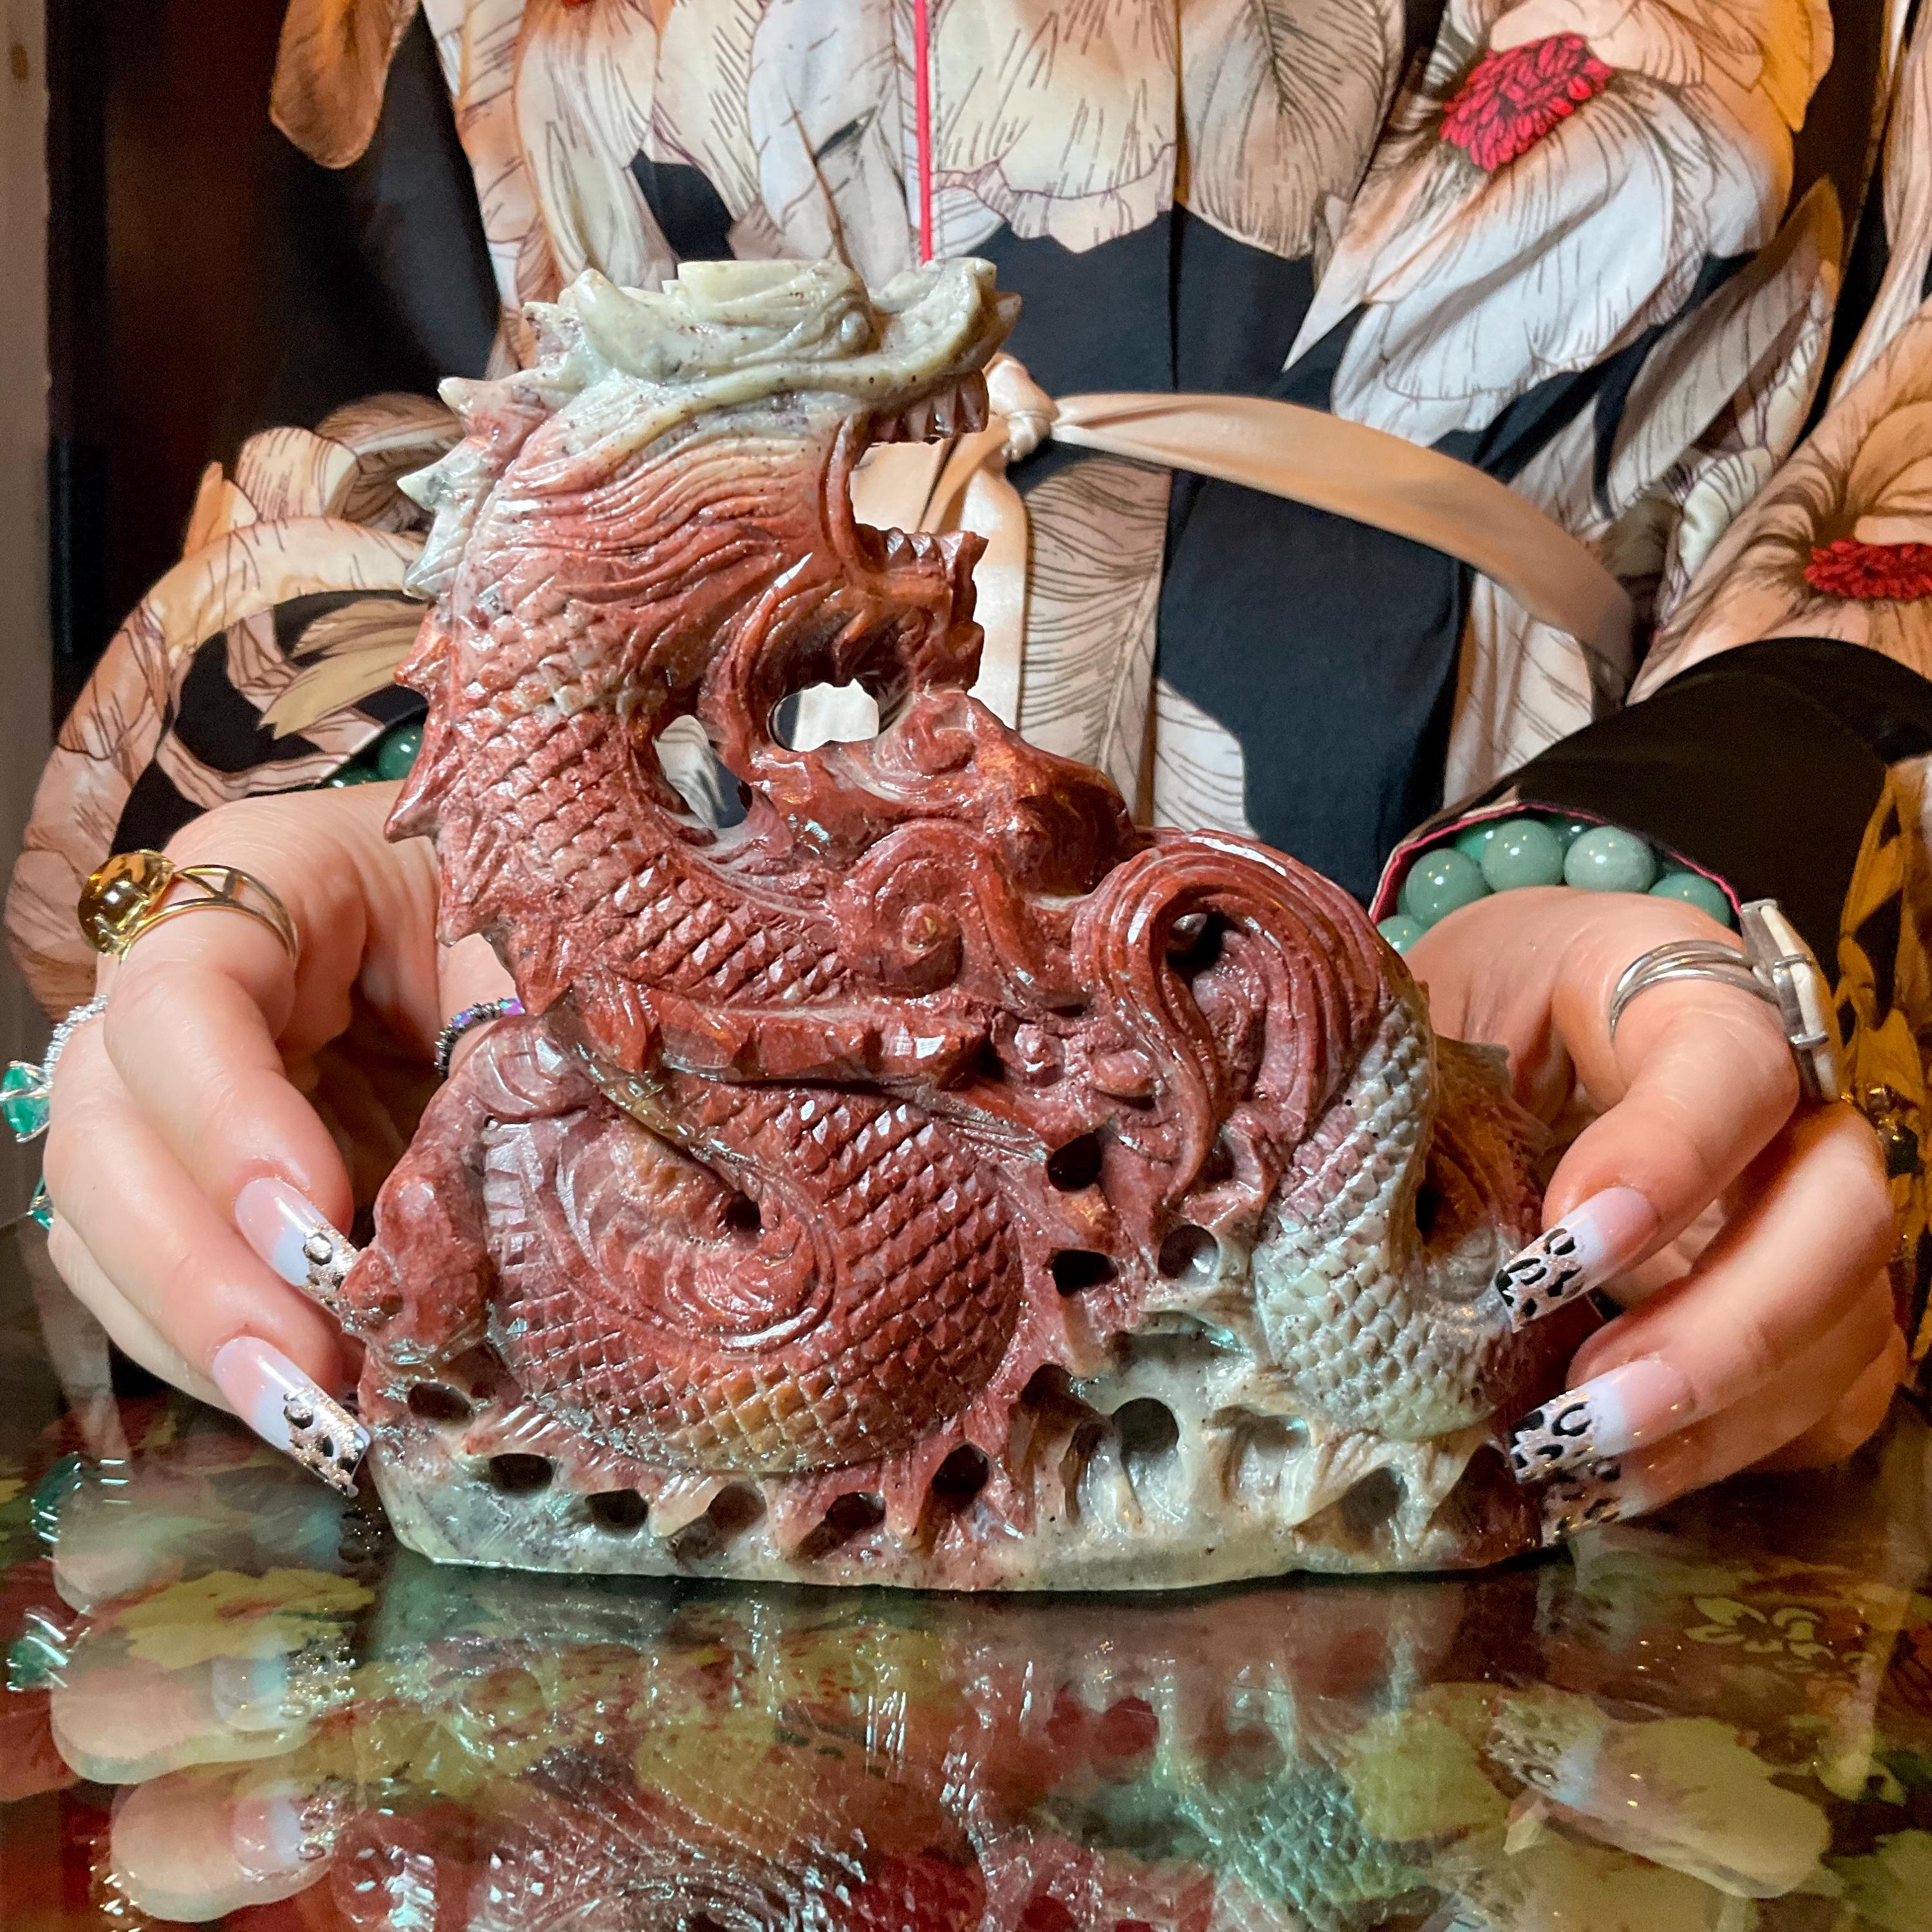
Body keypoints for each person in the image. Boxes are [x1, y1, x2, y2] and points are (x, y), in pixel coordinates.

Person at [10, 0, 1931, 1536]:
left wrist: (1656, 883)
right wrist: (351, 861)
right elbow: (368, 464)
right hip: (605, 1056)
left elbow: (1887, 479)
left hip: (1511, 1096)